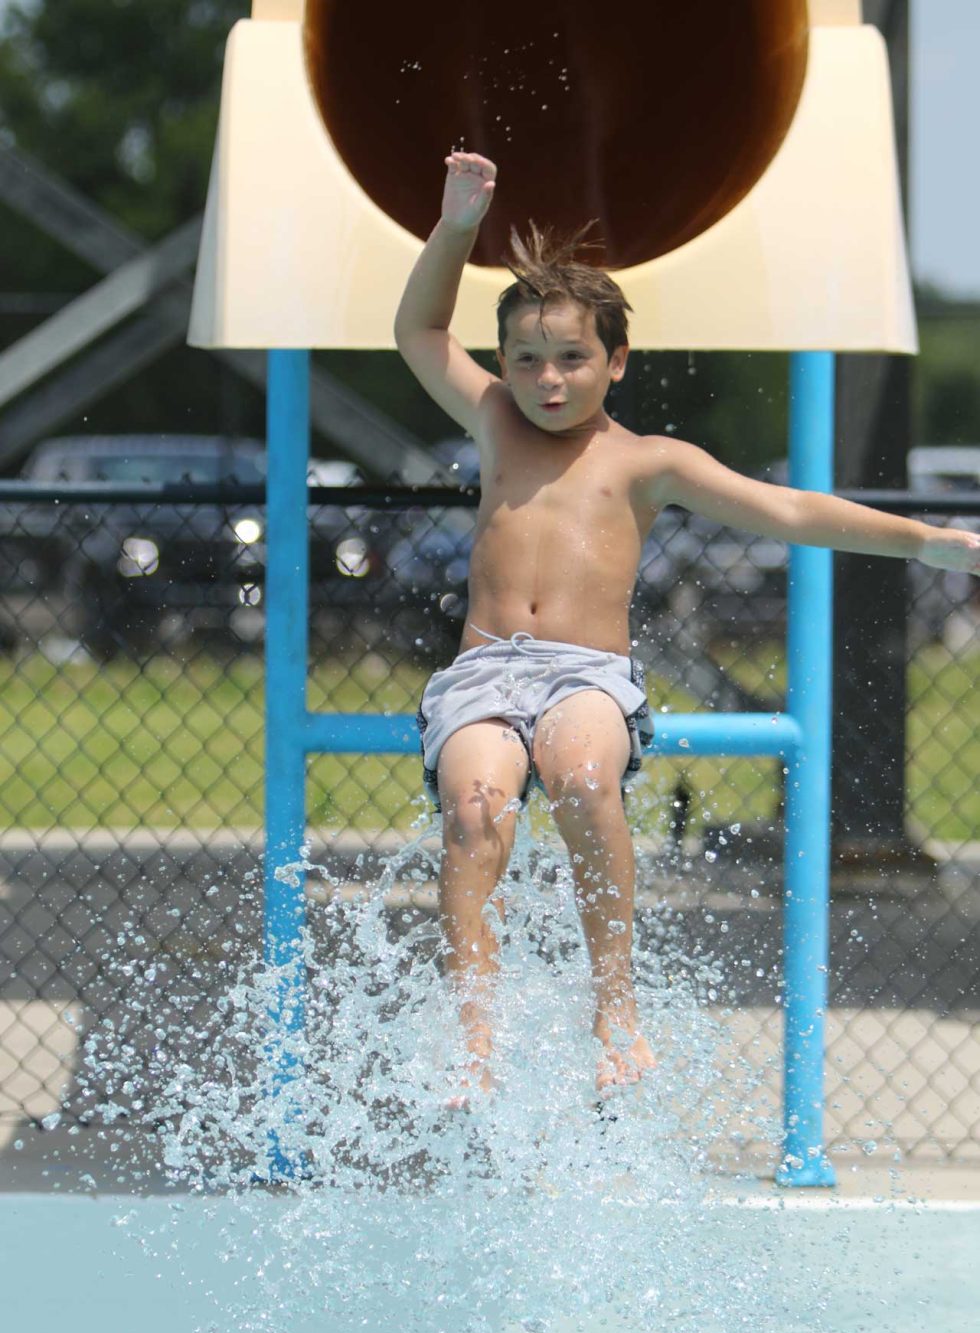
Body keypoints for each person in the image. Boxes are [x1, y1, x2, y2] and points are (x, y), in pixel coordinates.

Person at [394, 151, 980, 1108]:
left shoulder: (649, 461)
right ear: (503, 365)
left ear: (616, 363)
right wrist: (459, 223)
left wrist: (930, 544)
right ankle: (472, 1031)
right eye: (528, 359)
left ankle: (614, 1004)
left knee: (584, 775)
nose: (548, 380)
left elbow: (789, 511)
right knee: (473, 814)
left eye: (573, 358)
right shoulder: (494, 420)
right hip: (484, 674)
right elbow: (417, 327)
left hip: (586, 675)